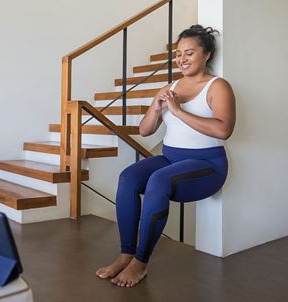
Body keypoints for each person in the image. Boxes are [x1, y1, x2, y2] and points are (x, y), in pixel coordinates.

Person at [95, 24, 236, 288]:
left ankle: (141, 262)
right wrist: (157, 108)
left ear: (206, 55)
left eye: (189, 53)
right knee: (128, 177)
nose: (181, 59)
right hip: (171, 158)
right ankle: (126, 253)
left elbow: (224, 129)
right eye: (178, 53)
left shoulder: (218, 86)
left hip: (208, 165)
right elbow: (145, 130)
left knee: (158, 181)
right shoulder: (171, 86)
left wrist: (179, 111)